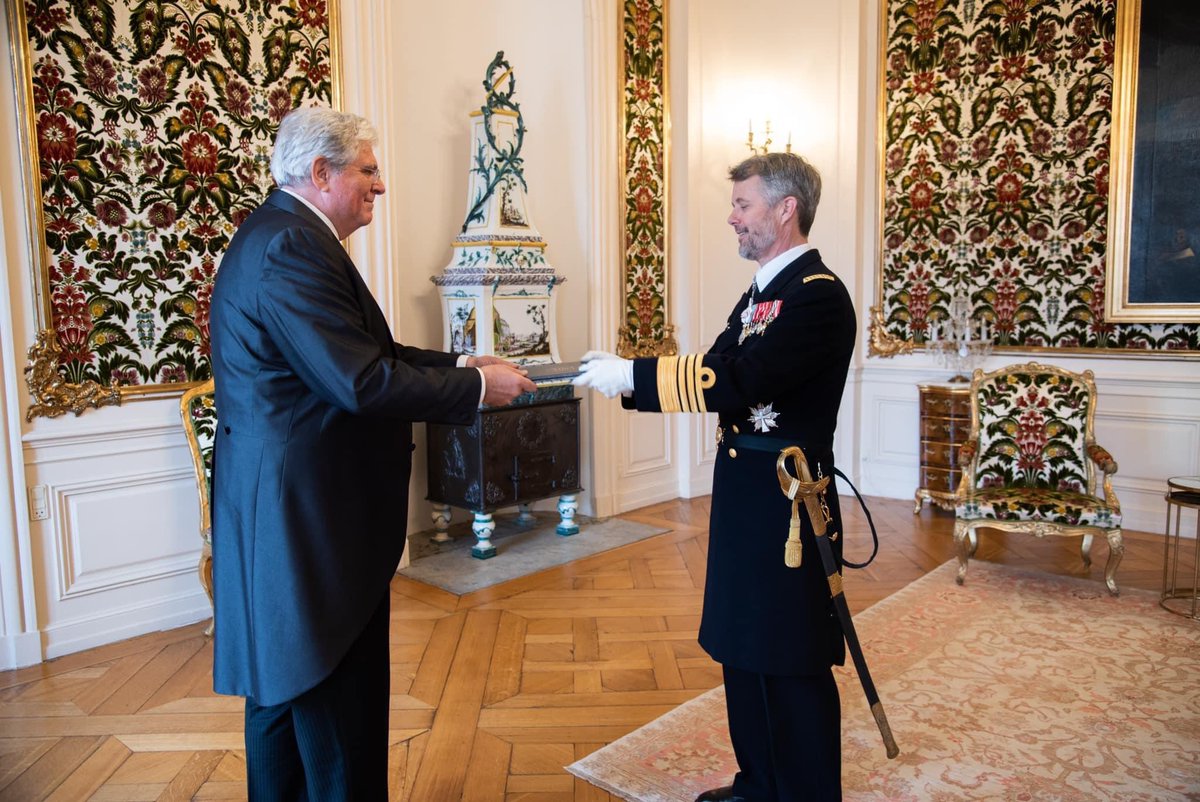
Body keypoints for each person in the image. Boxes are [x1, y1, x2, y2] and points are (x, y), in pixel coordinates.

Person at [209, 106, 536, 800]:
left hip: (285, 506)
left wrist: (456, 359)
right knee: (331, 703)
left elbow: (367, 354)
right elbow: (359, 382)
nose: (379, 185)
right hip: (308, 516)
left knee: (280, 695)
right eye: (368, 168)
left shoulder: (284, 234)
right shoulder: (291, 248)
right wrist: (475, 387)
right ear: (321, 172)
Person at [574, 152, 856, 802]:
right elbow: (726, 365)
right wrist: (638, 373)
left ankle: (808, 795)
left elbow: (744, 378)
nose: (732, 218)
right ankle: (758, 784)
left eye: (743, 204)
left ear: (786, 209)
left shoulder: (818, 296)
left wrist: (634, 376)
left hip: (790, 504)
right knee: (744, 646)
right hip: (746, 499)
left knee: (791, 657)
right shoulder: (763, 291)